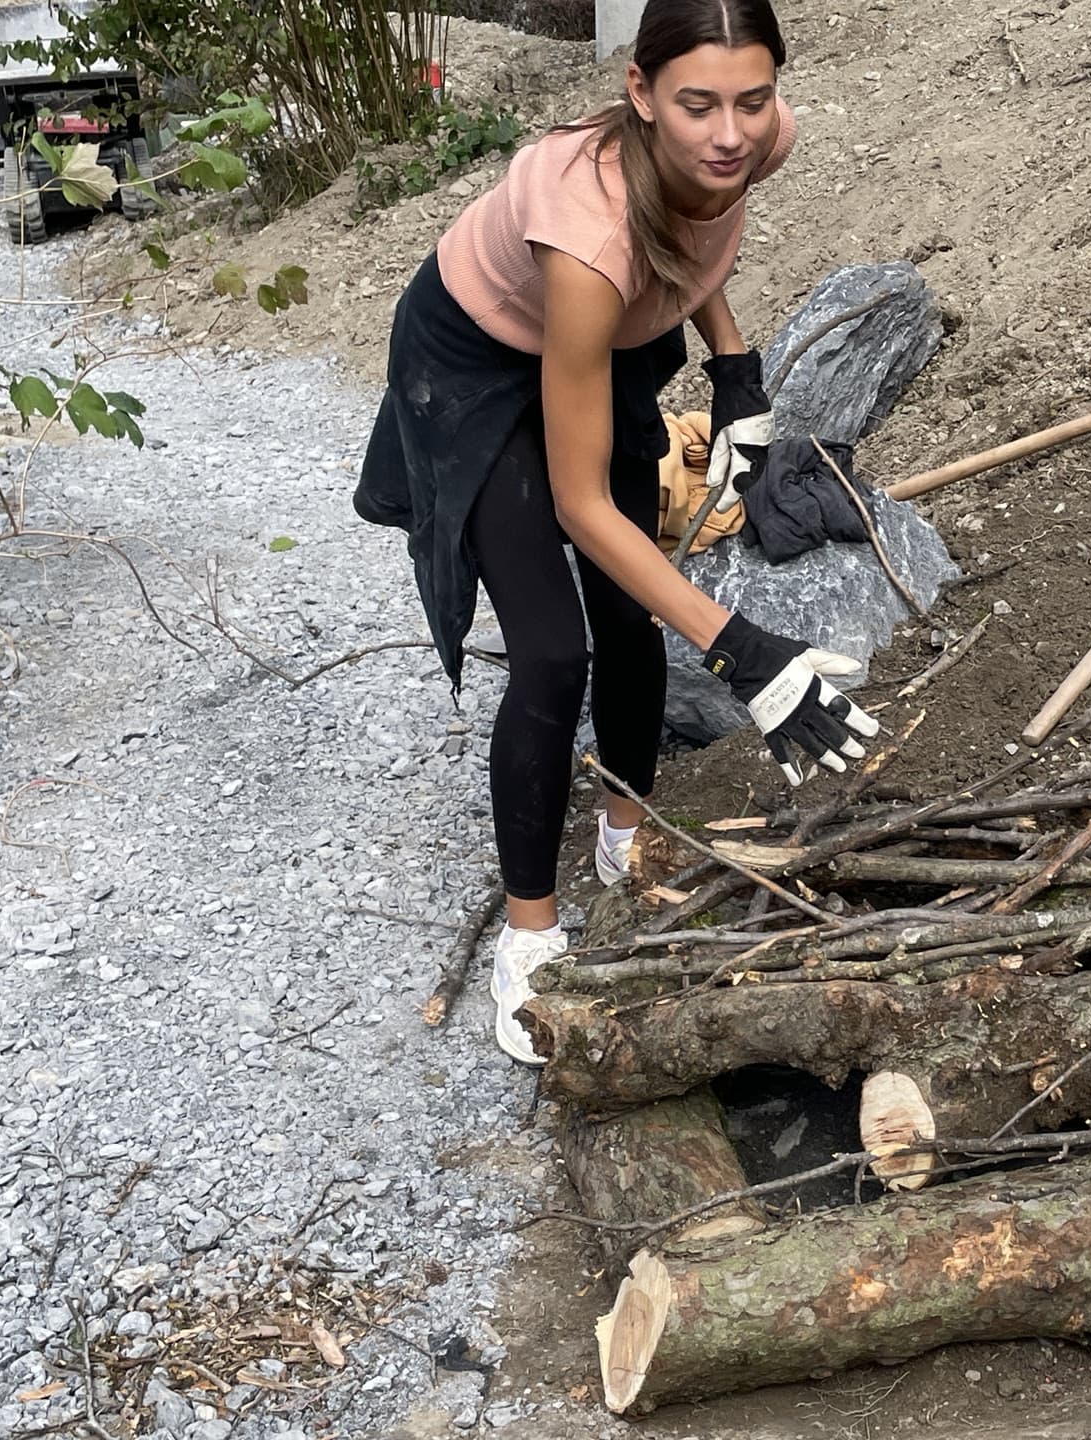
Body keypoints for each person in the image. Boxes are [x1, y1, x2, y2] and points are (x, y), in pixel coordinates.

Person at [354, 0, 879, 1065]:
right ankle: (529, 936)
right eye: (696, 105)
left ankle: (626, 835)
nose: (729, 132)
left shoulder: (758, 138)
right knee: (552, 651)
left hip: (601, 339)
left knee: (633, 618)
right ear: (640, 95)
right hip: (482, 360)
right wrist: (745, 651)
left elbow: (696, 229)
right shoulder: (588, 236)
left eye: (751, 97)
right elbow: (580, 502)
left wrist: (737, 370)